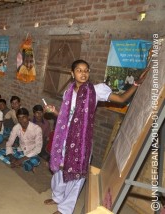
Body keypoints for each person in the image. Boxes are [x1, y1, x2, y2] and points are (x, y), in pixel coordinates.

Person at [43, 59, 146, 214]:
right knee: (59, 168)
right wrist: (54, 111)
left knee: (76, 175)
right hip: (64, 138)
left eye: (86, 70)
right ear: (72, 74)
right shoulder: (68, 92)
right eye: (79, 70)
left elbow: (122, 99)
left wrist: (136, 83)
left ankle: (65, 209)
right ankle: (57, 197)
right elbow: (66, 117)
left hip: (81, 141)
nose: (83, 73)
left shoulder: (96, 90)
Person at [0, 108, 42, 172]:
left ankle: (20, 163)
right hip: (20, 151)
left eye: (24, 117)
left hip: (31, 153)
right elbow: (9, 143)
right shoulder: (16, 127)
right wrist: (12, 157)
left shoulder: (37, 129)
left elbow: (38, 148)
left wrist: (22, 159)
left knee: (36, 160)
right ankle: (18, 163)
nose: (22, 120)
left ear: (28, 117)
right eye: (19, 118)